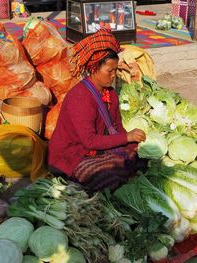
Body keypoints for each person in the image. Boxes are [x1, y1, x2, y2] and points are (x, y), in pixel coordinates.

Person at [47, 29, 146, 192]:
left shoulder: (110, 93)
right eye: (110, 71)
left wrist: (132, 142)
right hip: (70, 155)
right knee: (106, 175)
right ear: (94, 68)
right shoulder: (80, 97)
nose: (114, 75)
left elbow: (118, 127)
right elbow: (89, 141)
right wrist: (126, 137)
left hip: (93, 150)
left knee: (138, 157)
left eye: (116, 70)